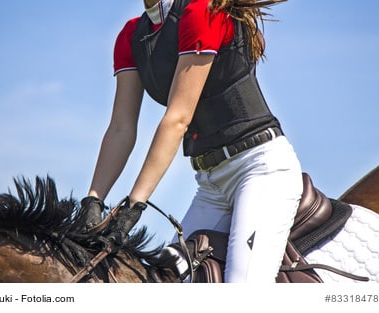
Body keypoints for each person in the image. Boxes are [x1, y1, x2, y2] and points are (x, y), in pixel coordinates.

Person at [81, 0, 303, 283]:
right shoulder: (130, 36)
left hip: (260, 169)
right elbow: (121, 128)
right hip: (211, 184)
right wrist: (93, 199)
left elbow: (178, 119)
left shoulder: (201, 12)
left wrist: (134, 205)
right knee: (169, 286)